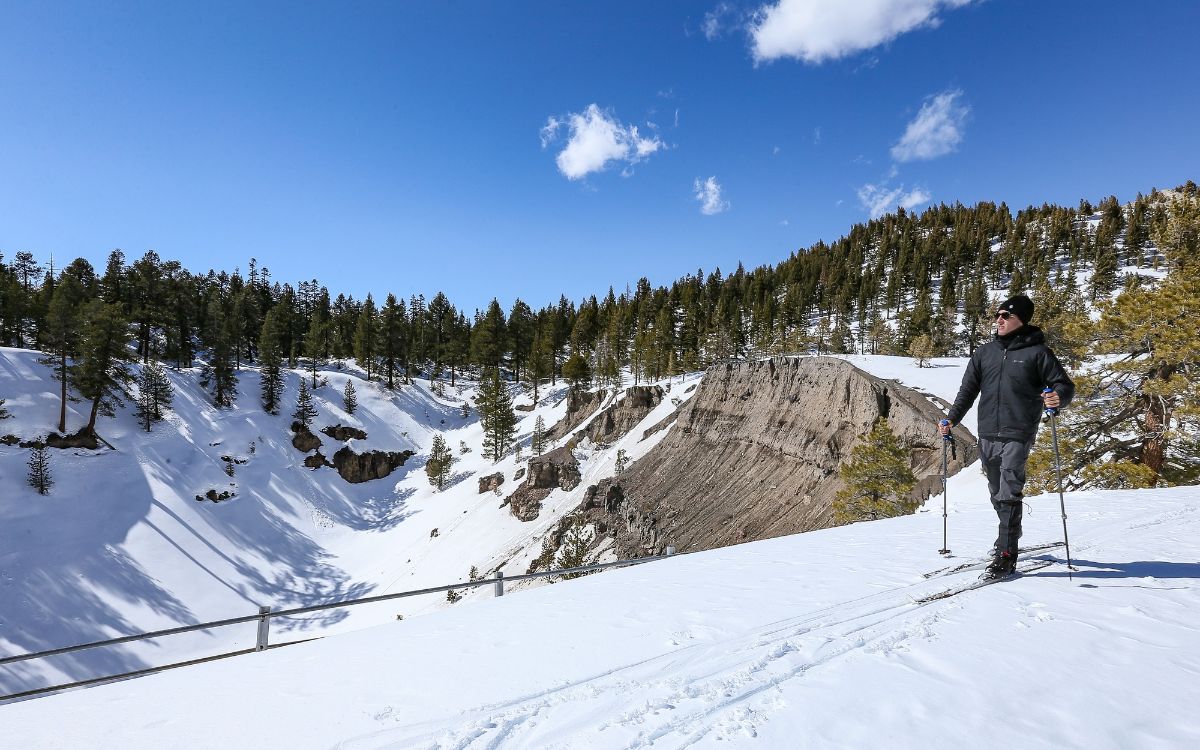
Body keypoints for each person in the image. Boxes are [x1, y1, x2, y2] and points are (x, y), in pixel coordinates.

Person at [939, 293, 1075, 579]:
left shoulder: (1038, 354)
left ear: (1021, 321)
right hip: (987, 432)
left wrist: (1057, 399)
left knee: (1009, 491)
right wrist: (951, 419)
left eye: (1006, 316)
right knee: (996, 491)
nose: (999, 320)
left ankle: (1006, 554)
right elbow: (967, 391)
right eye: (998, 315)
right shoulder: (984, 353)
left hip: (1018, 431)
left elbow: (1063, 385)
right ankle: (1009, 532)